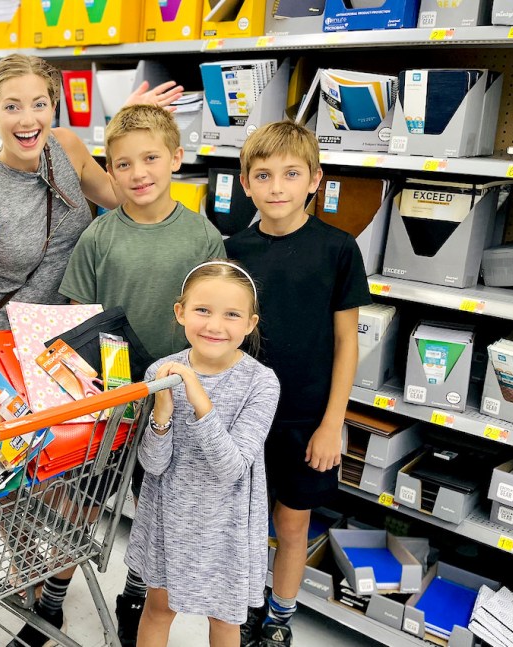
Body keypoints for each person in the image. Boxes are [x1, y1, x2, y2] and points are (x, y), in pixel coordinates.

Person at [0, 54, 182, 363]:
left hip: (75, 340)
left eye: (39, 104)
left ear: (53, 107)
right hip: (10, 348)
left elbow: (119, 196)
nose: (27, 120)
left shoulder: (66, 146)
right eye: (12, 107)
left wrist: (127, 127)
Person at [57, 103, 226, 646]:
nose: (139, 174)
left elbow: (215, 324)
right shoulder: (98, 238)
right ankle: (53, 597)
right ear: (110, 172)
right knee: (83, 502)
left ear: (177, 158)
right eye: (123, 165)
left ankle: (135, 598)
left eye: (151, 158)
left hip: (169, 405)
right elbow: (77, 322)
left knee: (152, 512)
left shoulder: (202, 239)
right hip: (107, 404)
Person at [224, 121, 372, 647]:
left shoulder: (338, 249)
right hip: (245, 417)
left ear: (315, 180)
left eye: (291, 174)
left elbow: (347, 342)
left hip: (308, 417)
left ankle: (279, 622)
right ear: (245, 184)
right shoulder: (233, 249)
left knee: (291, 525)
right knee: (241, 526)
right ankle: (243, 610)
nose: (277, 187)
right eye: (263, 176)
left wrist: (333, 424)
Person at [126, 261, 280, 647]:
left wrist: (197, 398)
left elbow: (231, 467)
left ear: (250, 323)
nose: (214, 325)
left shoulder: (261, 382)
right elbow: (153, 465)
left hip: (228, 523)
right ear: (180, 313)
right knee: (158, 609)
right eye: (202, 310)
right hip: (168, 514)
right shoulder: (160, 371)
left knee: (225, 621)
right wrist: (162, 412)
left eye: (231, 315)